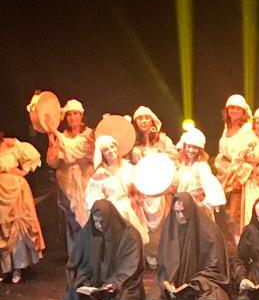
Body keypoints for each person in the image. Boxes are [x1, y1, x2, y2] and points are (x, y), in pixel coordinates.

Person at [144, 192, 231, 300]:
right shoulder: (170, 228)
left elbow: (215, 265)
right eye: (177, 212)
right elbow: (164, 261)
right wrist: (167, 281)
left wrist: (193, 283)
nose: (180, 216)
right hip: (174, 281)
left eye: (183, 211)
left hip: (204, 281)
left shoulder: (208, 230)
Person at [63, 200, 147, 300]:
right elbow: (77, 261)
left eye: (102, 222)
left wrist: (115, 283)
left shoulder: (129, 234)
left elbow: (131, 265)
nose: (99, 225)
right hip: (94, 279)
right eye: (95, 221)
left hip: (122, 282)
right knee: (73, 297)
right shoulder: (88, 232)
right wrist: (81, 281)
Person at [129, 106, 177, 267]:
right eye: (140, 118)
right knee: (144, 223)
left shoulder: (162, 140)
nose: (143, 121)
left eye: (146, 118)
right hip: (142, 188)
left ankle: (164, 256)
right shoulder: (133, 142)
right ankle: (150, 257)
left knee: (163, 223)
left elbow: (174, 159)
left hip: (160, 187)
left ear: (152, 120)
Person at [46, 99, 95, 254]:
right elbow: (52, 163)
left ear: (81, 115)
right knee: (72, 219)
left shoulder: (90, 134)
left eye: (75, 114)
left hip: (86, 180)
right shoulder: (61, 137)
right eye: (69, 114)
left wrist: (91, 152)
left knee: (89, 216)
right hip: (67, 181)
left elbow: (95, 157)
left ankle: (92, 254)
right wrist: (52, 144)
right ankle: (76, 255)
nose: (72, 117)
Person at [85, 134, 149, 244]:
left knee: (135, 243)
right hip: (114, 215)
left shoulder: (128, 167)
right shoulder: (100, 174)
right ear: (102, 154)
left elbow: (139, 187)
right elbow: (94, 201)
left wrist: (137, 195)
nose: (111, 151)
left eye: (112, 146)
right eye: (106, 150)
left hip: (132, 210)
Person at [0, 132, 45, 283]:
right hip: (1, 192)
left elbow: (32, 155)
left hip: (16, 189)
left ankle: (17, 268)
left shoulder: (10, 144)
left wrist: (23, 171)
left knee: (17, 227)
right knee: (3, 230)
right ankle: (5, 268)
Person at [213, 94, 253, 241]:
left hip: (237, 176)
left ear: (243, 111)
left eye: (238, 108)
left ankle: (241, 244)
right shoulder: (227, 127)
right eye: (231, 108)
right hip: (223, 176)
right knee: (225, 215)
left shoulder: (248, 129)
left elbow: (248, 154)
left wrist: (239, 174)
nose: (234, 111)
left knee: (236, 214)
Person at [174, 127, 226, 217]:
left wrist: (202, 204)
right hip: (181, 208)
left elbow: (212, 187)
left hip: (195, 209)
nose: (191, 150)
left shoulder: (201, 166)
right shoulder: (183, 166)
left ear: (199, 150)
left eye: (195, 148)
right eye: (189, 146)